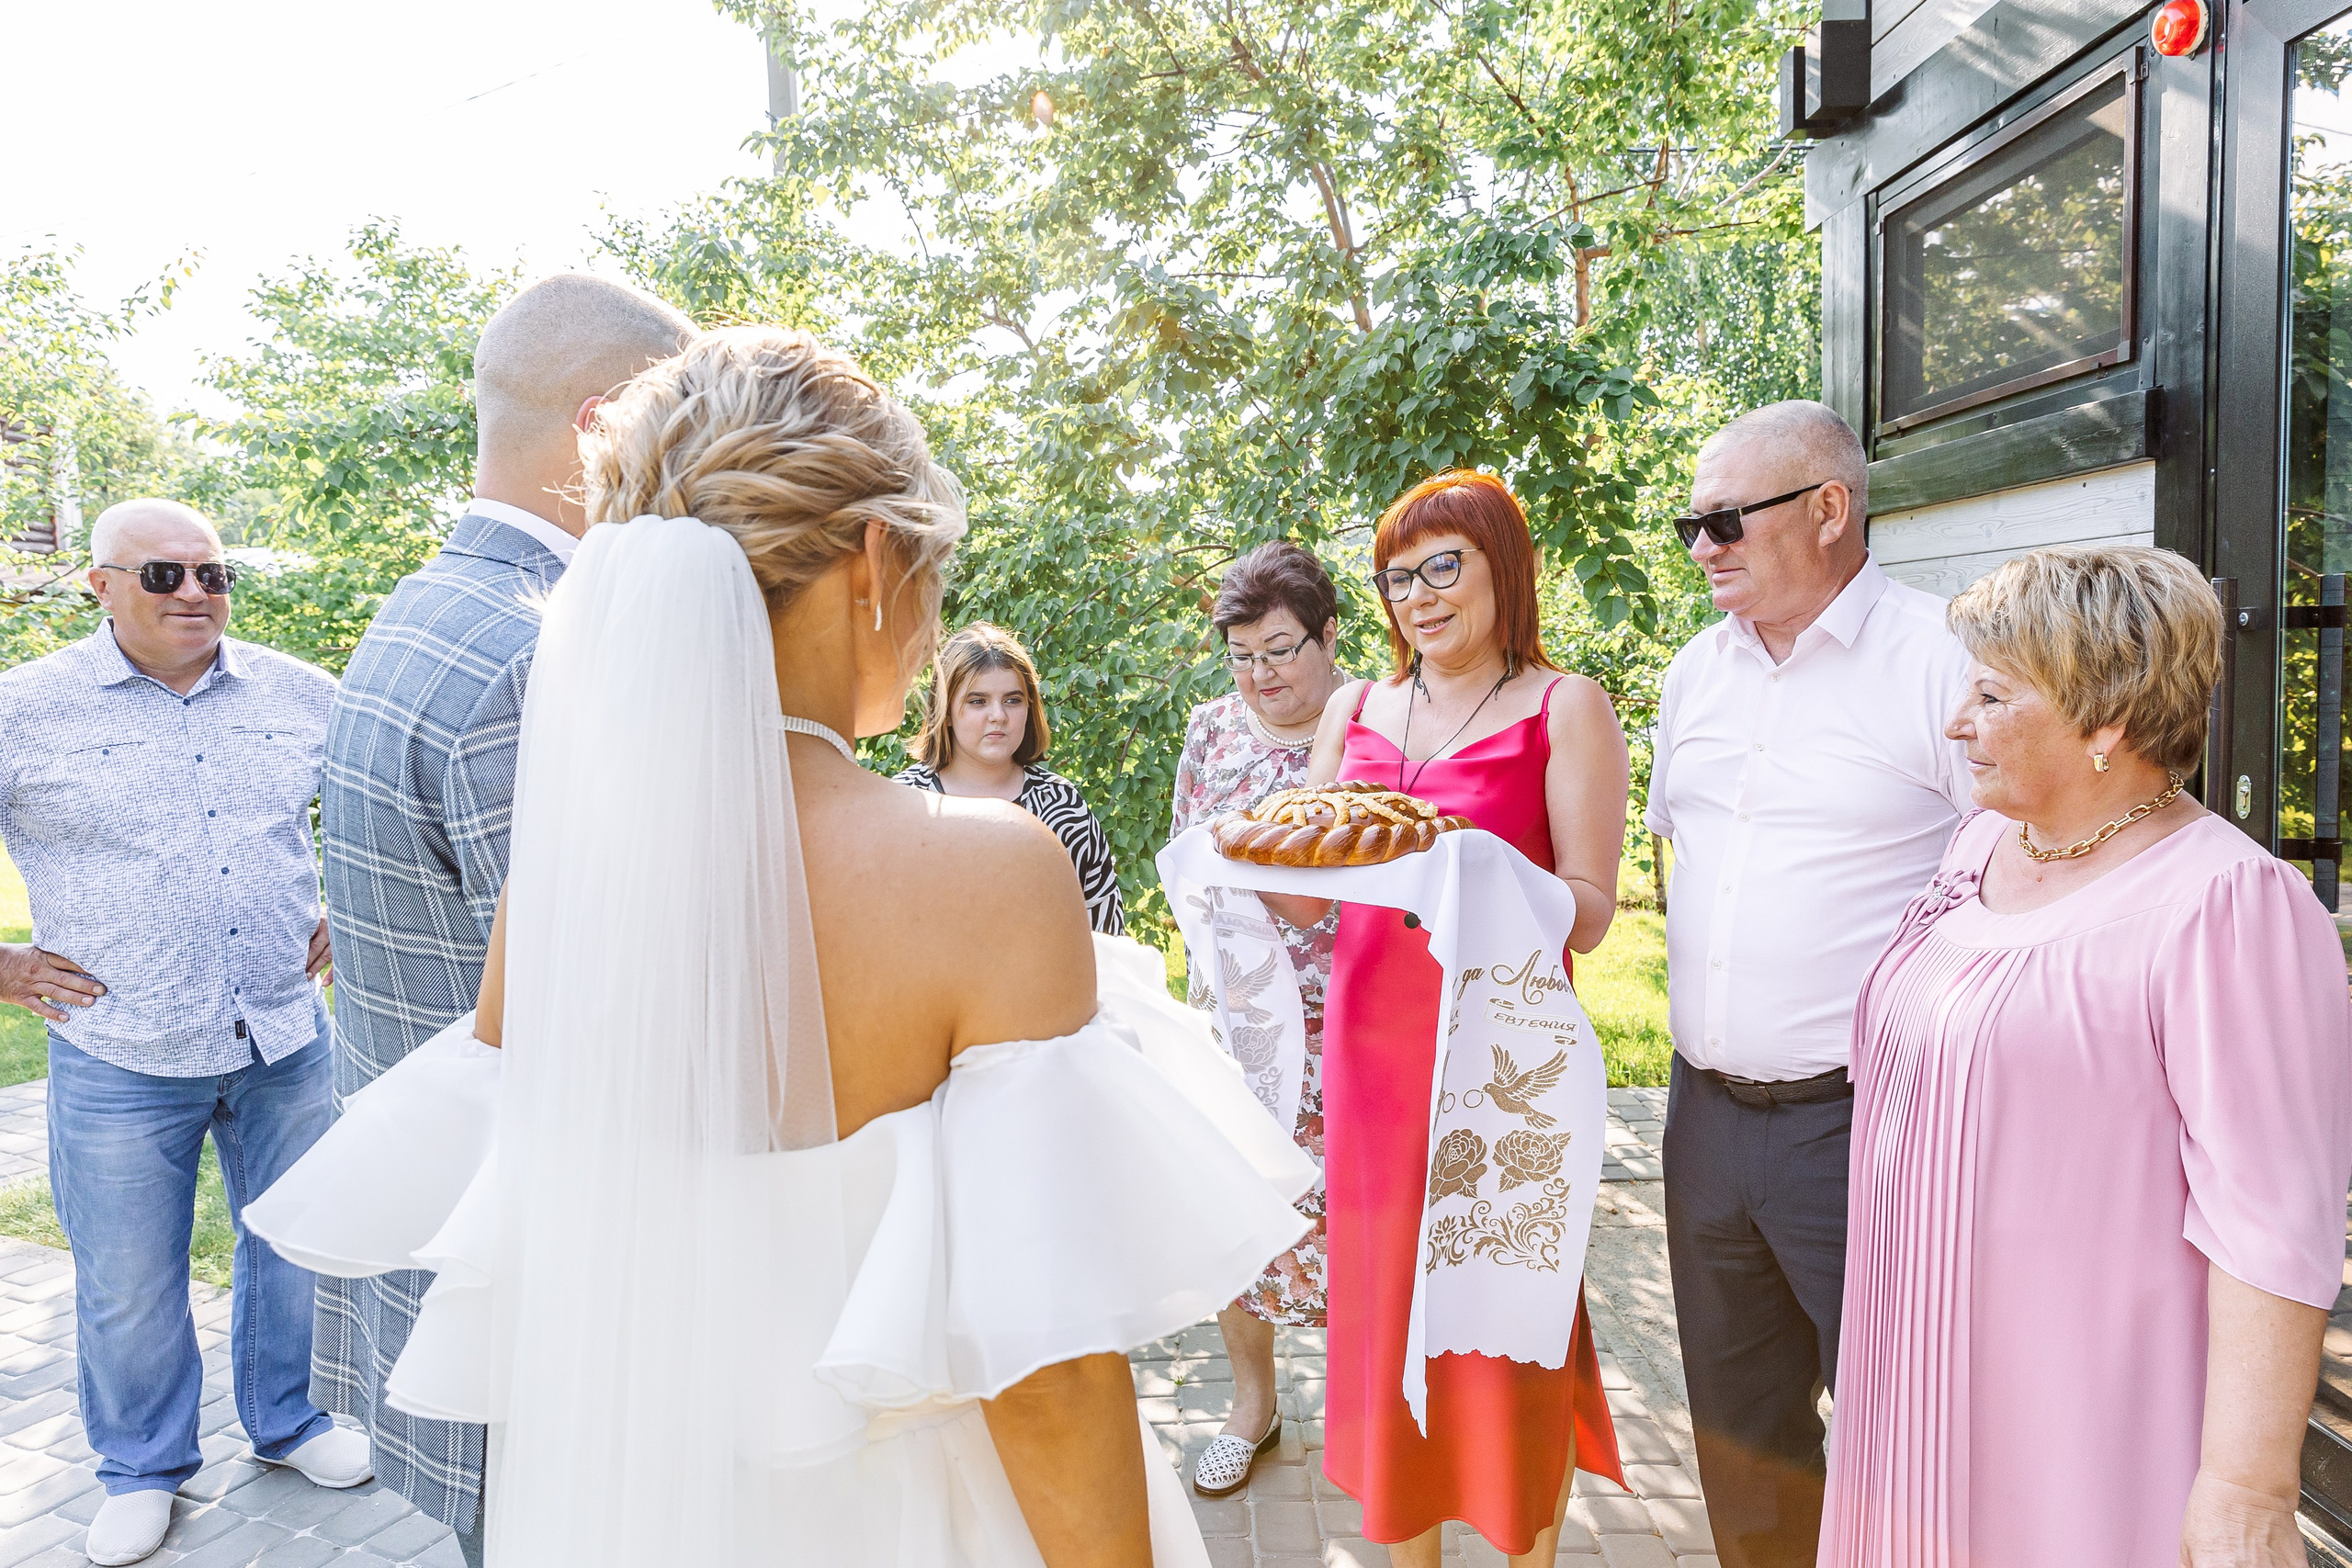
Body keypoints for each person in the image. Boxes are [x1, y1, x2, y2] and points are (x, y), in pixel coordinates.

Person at [246, 326, 1317, 1566]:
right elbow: (1047, 1375)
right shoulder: (988, 869)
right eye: (932, 564)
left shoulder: (576, 880)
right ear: (874, 559)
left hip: (651, 1513)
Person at [1821, 545, 2352, 1568]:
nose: (1955, 723)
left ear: (2105, 720)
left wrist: (2245, 1487)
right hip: (1909, 1382)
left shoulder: (2225, 908)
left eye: (1989, 693)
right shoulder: (1982, 846)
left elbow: (2271, 1221)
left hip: (2074, 1425)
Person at [311, 274, 694, 1564]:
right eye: (676, 429)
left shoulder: (422, 608)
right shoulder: (543, 649)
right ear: (603, 426)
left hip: (440, 1246)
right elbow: (585, 1015)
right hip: (531, 1301)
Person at [1266, 469, 1628, 1566]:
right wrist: (1252, 856)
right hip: (1373, 1057)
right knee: (1386, 1326)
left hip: (1503, 1061)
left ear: (1499, 569)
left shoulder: (1568, 705)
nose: (1417, 595)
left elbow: (1597, 912)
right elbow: (1306, 895)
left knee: (1505, 1317)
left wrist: (1477, 869)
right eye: (1395, 577)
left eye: (1443, 567)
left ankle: (1528, 1549)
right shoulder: (1353, 709)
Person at [0, 500, 368, 1566]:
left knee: (296, 1242)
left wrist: (350, 896)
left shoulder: (300, 692)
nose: (196, 593)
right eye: (163, 576)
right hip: (120, 1049)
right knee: (130, 1281)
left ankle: (291, 1423)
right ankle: (142, 1469)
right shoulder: (26, 710)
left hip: (285, 1038)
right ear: (100, 585)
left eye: (213, 573)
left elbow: (368, 810)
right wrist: (6, 967)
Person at [1643, 400, 1972, 1568]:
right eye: (1691, 522)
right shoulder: (1696, 673)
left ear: (1829, 510)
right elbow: (1681, 854)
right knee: (1742, 1439)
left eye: (1725, 519)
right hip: (1702, 1120)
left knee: (1906, 1435)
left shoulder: (1947, 662)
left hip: (1866, 1122)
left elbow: (2017, 888)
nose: (1702, 546)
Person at [1165, 539, 1349, 1497]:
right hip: (1236, 1029)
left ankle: (1371, 1417)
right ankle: (1254, 1407)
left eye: (1280, 650)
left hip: (1352, 1026)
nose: (1262, 676)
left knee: (1359, 1227)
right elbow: (1183, 854)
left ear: (1328, 636)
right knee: (1238, 1225)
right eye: (1242, 656)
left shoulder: (1378, 726)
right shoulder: (1212, 730)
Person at [894, 622, 1125, 934]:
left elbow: (1106, 932)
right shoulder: (906, 803)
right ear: (945, 711)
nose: (998, 715)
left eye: (1012, 700)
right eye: (978, 701)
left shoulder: (1062, 809)